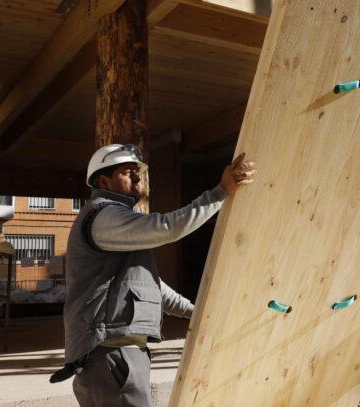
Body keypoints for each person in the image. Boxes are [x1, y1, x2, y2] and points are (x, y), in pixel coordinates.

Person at [61, 143, 255, 406]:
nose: (137, 176)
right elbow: (168, 227)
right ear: (104, 181)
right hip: (109, 354)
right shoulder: (103, 216)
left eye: (138, 171)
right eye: (128, 171)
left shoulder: (122, 225)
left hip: (121, 353)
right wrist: (220, 193)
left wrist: (198, 312)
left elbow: (153, 287)